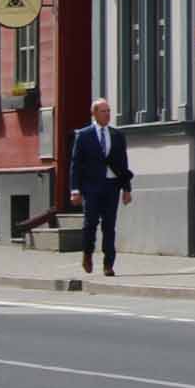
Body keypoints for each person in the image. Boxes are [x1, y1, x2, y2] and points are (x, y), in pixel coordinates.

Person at [68, 98, 133, 276]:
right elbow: (75, 165)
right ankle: (87, 253)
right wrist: (75, 190)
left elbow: (123, 165)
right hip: (92, 187)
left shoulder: (117, 136)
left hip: (112, 186)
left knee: (109, 225)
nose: (107, 114)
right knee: (90, 224)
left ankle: (108, 263)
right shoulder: (83, 135)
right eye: (104, 111)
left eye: (109, 111)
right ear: (94, 113)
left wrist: (127, 189)